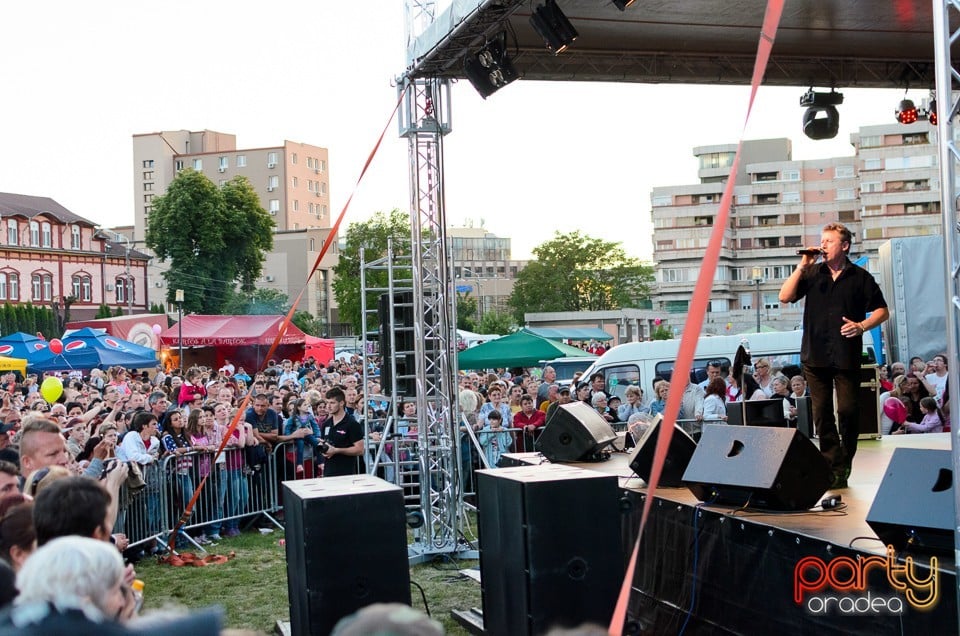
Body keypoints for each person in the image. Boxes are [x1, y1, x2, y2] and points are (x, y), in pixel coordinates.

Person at [779, 222, 889, 488]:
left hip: (845, 354)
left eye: (829, 241)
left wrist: (862, 326)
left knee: (848, 410)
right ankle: (832, 467)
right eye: (822, 240)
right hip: (814, 354)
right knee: (822, 413)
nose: (823, 245)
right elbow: (784, 296)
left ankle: (845, 459)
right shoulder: (812, 272)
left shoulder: (860, 277)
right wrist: (802, 265)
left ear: (845, 245)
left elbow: (882, 311)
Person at [319, 388, 364, 477]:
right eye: (327, 403)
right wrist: (322, 448)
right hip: (328, 472)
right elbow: (324, 444)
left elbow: (360, 450)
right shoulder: (326, 424)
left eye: (332, 403)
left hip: (346, 474)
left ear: (341, 403)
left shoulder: (352, 424)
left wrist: (336, 450)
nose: (328, 406)